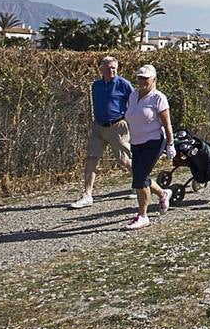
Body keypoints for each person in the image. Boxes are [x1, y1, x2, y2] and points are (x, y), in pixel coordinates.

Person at [70, 55, 133, 208]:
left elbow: (134, 101)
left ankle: (140, 181)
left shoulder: (123, 84)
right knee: (91, 158)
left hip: (117, 126)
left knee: (124, 160)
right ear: (101, 69)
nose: (111, 71)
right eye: (108, 68)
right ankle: (87, 195)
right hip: (98, 126)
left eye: (114, 68)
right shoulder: (96, 85)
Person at [124, 64, 174, 231]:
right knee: (140, 176)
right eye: (140, 78)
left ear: (154, 80)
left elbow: (167, 124)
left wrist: (170, 144)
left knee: (139, 178)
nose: (142, 81)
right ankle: (163, 194)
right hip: (136, 141)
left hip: (154, 141)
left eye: (146, 78)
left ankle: (142, 215)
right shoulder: (133, 96)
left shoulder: (158, 98)